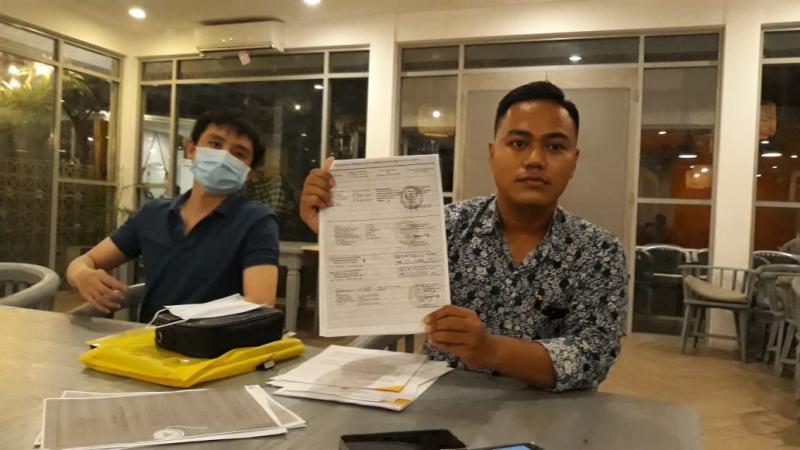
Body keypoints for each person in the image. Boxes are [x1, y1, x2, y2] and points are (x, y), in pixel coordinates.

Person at [299, 81, 627, 392]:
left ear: (573, 162)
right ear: (492, 153)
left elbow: (593, 355)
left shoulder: (599, 251)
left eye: (555, 146)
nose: (535, 160)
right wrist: (336, 230)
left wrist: (491, 350)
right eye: (519, 143)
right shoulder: (444, 226)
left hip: (551, 413)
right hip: (441, 402)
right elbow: (386, 284)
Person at [67, 110, 280, 322]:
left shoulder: (255, 220)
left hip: (216, 340)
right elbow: (86, 261)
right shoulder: (153, 214)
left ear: (249, 173)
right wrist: (81, 274)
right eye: (215, 144)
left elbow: (259, 304)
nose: (224, 157)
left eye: (239, 154)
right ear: (191, 149)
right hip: (151, 339)